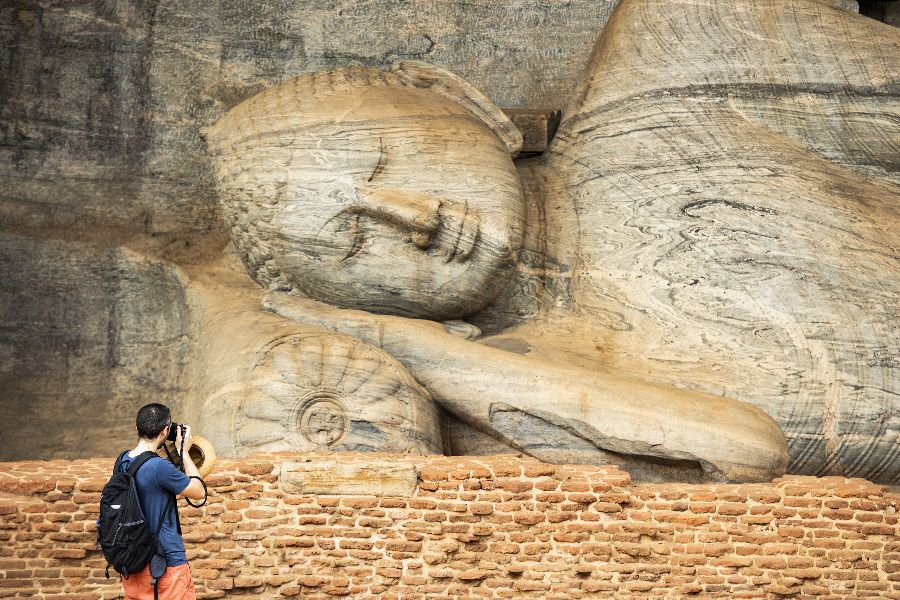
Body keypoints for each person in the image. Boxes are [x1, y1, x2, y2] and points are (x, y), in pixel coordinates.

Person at [118, 403, 206, 600]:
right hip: (166, 565)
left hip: (133, 564)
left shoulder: (122, 461)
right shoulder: (159, 467)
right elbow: (198, 491)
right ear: (166, 431)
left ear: (137, 428)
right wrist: (183, 451)